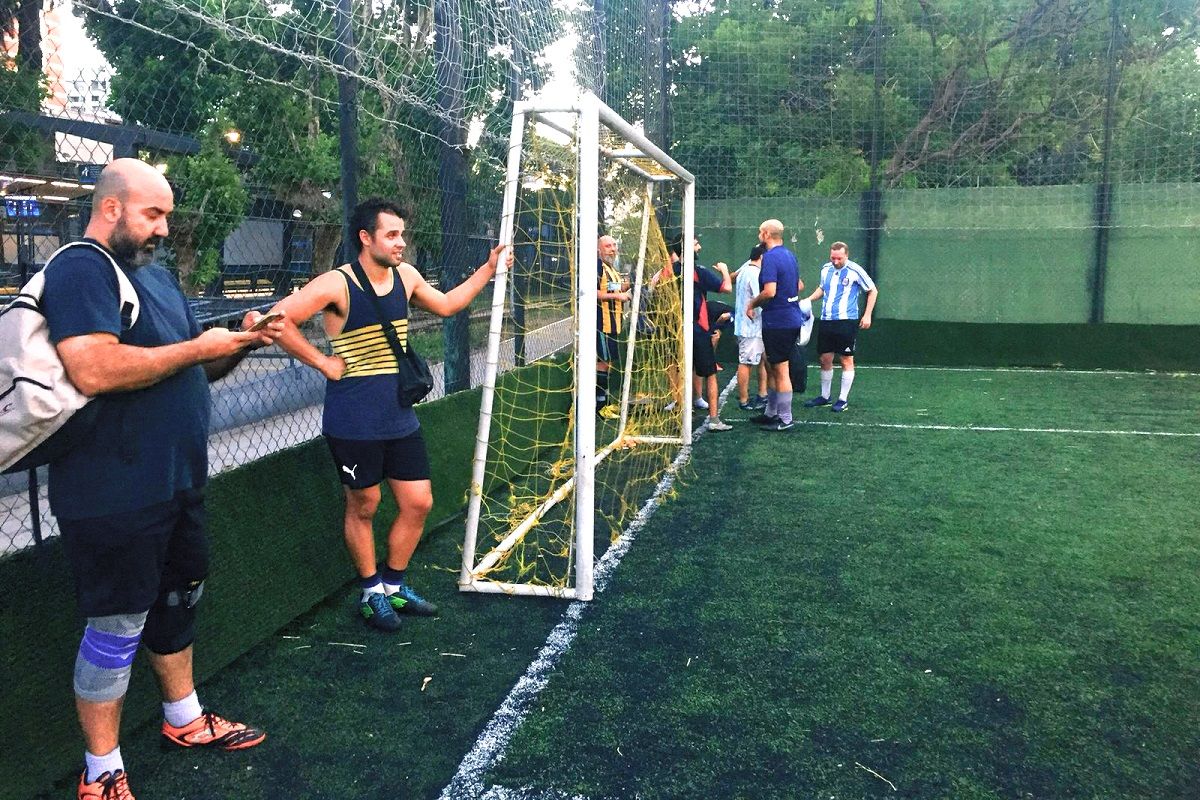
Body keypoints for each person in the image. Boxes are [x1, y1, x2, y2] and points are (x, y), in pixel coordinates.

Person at [43, 158, 284, 800]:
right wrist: (197, 349)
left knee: (178, 601)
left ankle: (183, 719)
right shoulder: (81, 268)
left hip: (176, 482)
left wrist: (235, 343)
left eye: (168, 216)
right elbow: (95, 369)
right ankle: (101, 771)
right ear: (113, 207)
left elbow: (187, 370)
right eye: (154, 214)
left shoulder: (156, 280)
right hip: (112, 491)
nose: (164, 229)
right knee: (117, 624)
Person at [268, 198, 511, 632]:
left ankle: (394, 586)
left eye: (403, 234)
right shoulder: (336, 285)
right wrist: (323, 363)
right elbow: (274, 321)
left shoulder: (407, 276)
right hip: (353, 420)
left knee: (418, 503)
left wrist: (489, 268)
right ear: (366, 238)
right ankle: (370, 592)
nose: (401, 243)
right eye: (392, 235)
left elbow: (449, 304)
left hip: (399, 417)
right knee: (365, 504)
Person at [803, 241, 878, 412]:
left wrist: (867, 315)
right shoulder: (825, 269)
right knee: (825, 358)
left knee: (846, 359)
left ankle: (842, 399)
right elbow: (822, 288)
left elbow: (872, 290)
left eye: (839, 258)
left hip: (846, 321)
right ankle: (825, 396)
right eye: (833, 258)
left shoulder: (855, 270)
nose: (836, 261)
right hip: (826, 320)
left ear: (846, 255)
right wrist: (808, 299)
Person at [666, 237, 731, 430]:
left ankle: (681, 411)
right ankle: (713, 420)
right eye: (695, 244)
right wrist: (725, 271)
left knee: (677, 368)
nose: (699, 247)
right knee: (710, 373)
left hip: (674, 330)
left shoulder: (668, 271)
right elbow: (726, 288)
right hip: (698, 329)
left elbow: (654, 287)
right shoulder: (698, 271)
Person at [747, 219, 805, 431]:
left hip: (778, 321)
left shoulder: (770, 257)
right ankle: (771, 413)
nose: (758, 235)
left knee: (780, 370)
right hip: (788, 318)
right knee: (771, 365)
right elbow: (799, 285)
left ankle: (785, 419)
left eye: (759, 232)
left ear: (765, 234)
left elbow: (770, 291)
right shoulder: (789, 255)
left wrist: (752, 303)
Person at [732, 243, 769, 411]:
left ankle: (762, 394)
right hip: (750, 327)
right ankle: (744, 400)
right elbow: (760, 296)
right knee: (746, 362)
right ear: (761, 257)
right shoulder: (754, 273)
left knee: (761, 360)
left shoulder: (745, 271)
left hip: (751, 325)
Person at [596, 234, 630, 416]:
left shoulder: (611, 268)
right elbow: (593, 292)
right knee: (602, 363)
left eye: (614, 245)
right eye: (608, 246)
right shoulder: (597, 265)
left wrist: (626, 287)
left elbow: (611, 287)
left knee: (607, 363)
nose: (612, 249)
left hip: (614, 324)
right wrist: (618, 296)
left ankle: (604, 401)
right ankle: (599, 406)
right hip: (601, 324)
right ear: (599, 249)